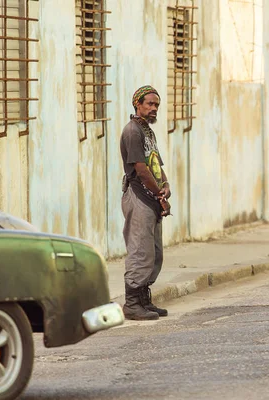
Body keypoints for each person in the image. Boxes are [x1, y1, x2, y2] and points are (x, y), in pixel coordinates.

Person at [120, 85, 172, 321]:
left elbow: (155, 164)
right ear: (137, 104)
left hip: (151, 197)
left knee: (154, 253)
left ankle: (143, 299)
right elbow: (141, 169)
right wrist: (159, 194)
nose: (153, 108)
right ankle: (132, 304)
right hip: (139, 195)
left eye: (156, 105)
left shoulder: (148, 132)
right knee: (140, 251)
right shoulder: (133, 132)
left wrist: (166, 184)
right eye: (149, 104)